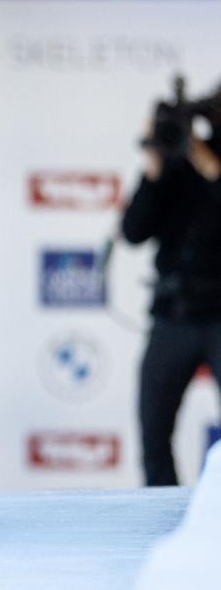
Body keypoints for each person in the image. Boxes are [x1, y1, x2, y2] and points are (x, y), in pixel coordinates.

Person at [121, 106, 221, 486]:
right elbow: (133, 231)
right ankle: (162, 522)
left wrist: (208, 164)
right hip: (172, 316)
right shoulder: (168, 170)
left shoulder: (211, 162)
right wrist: (153, 165)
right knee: (153, 433)